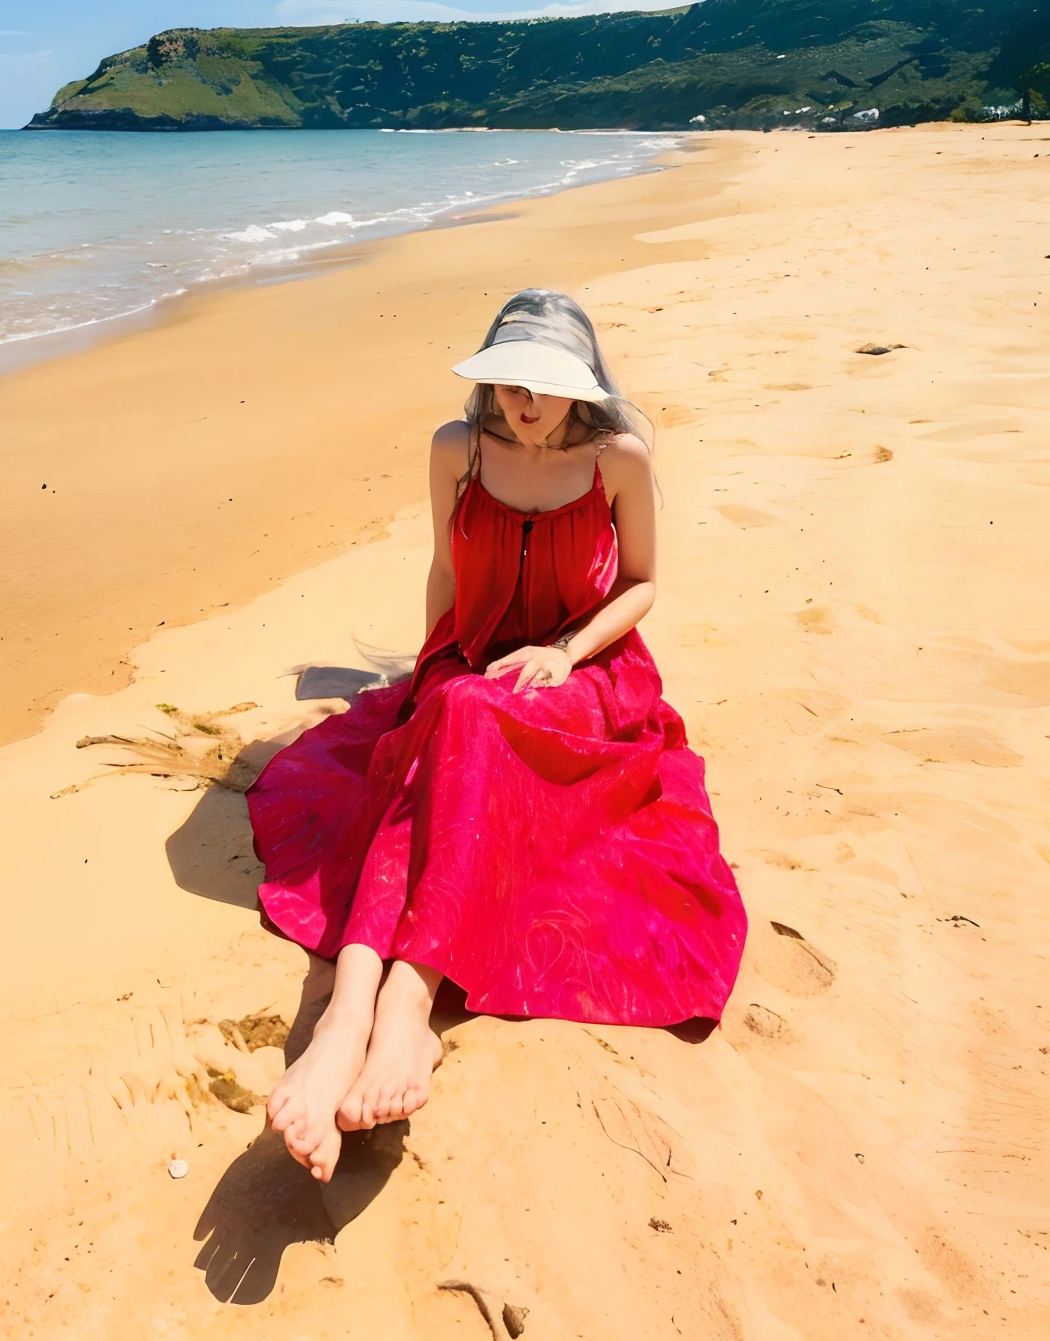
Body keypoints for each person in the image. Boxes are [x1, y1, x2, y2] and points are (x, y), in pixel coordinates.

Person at [247, 288, 747, 1183]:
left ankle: (399, 1001)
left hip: (585, 677)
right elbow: (445, 567)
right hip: (470, 667)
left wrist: (563, 653)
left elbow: (640, 586)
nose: (526, 400)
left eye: (547, 385)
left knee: (469, 715)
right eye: (512, 381)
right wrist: (426, 676)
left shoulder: (618, 458)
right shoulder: (458, 449)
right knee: (455, 710)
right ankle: (350, 1016)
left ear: (583, 383)